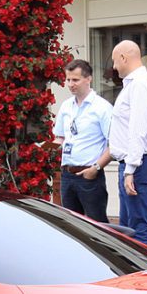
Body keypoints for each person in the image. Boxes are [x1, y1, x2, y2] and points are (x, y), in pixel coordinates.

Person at [106, 39, 147, 245]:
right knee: (128, 229)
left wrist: (130, 169)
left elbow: (138, 129)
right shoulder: (137, 84)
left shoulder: (140, 84)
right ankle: (133, 274)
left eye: (115, 61)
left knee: (138, 229)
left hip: (140, 163)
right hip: (136, 162)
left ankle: (145, 274)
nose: (114, 67)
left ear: (123, 57)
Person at [53, 59, 113, 222]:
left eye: (75, 80)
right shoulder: (66, 106)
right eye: (68, 80)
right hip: (67, 174)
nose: (71, 84)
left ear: (88, 79)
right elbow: (60, 138)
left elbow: (114, 143)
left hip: (89, 174)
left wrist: (96, 168)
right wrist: (47, 148)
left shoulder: (102, 107)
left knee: (97, 224)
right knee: (71, 225)